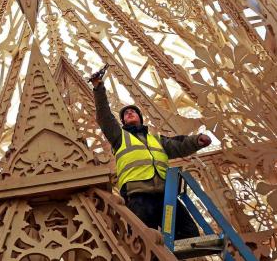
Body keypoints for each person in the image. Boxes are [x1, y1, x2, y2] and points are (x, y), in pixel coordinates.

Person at [89, 66, 211, 239]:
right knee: (144, 240)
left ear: (140, 118)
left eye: (133, 111)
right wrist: (98, 88)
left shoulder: (157, 140)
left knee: (189, 235)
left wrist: (198, 140)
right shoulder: (120, 137)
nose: (129, 113)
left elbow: (179, 144)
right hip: (138, 195)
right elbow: (104, 116)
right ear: (123, 121)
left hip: (166, 195)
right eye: (126, 113)